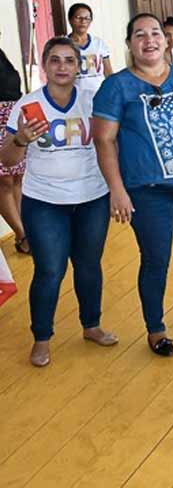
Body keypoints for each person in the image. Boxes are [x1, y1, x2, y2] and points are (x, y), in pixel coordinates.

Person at [92, 13, 173, 358]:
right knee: (156, 258)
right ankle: (156, 328)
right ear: (129, 44)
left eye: (155, 33)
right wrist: (116, 189)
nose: (149, 40)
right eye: (140, 35)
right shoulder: (116, 87)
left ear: (166, 40)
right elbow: (104, 141)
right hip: (147, 190)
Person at [0, 37, 114, 367]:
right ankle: (42, 338)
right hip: (44, 201)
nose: (62, 66)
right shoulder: (28, 104)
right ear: (45, 66)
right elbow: (6, 158)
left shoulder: (93, 101)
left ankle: (91, 325)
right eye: (55, 60)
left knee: (89, 265)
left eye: (69, 60)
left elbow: (112, 144)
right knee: (50, 270)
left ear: (79, 67)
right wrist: (21, 139)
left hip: (92, 197)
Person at [0, 32, 28, 254]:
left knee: (17, 179)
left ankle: (25, 232)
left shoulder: (1, 56)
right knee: (4, 182)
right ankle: (22, 235)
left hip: (11, 118)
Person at [66, 3, 113, 93]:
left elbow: (108, 72)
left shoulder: (99, 44)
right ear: (70, 20)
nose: (83, 21)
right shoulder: (62, 45)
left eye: (87, 18)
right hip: (74, 96)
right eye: (78, 17)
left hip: (99, 95)